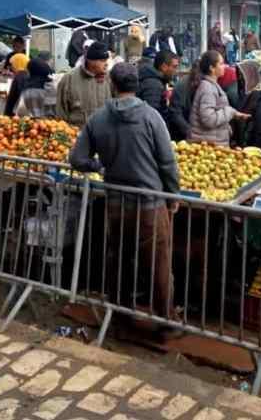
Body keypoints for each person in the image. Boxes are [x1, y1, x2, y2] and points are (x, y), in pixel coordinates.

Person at [69, 62, 181, 328]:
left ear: (112, 84)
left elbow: (77, 158)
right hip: (150, 203)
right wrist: (173, 196)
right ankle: (166, 322)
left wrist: (98, 166)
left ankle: (119, 315)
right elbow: (167, 163)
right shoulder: (152, 117)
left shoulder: (97, 118)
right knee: (158, 265)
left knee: (118, 259)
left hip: (116, 202)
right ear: (137, 85)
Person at [189, 51, 249, 145]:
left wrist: (235, 114)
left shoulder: (211, 85)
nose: (224, 66)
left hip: (212, 141)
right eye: (221, 64)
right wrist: (229, 112)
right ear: (212, 68)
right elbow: (208, 119)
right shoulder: (208, 88)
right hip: (208, 145)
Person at [57, 41, 113, 127]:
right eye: (102, 60)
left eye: (106, 60)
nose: (106, 64)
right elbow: (61, 113)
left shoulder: (110, 79)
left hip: (104, 136)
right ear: (90, 61)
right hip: (78, 135)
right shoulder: (69, 79)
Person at [138, 50, 188, 141]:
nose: (176, 71)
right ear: (164, 67)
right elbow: (152, 114)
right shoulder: (153, 85)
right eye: (174, 67)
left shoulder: (157, 81)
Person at [2, 53, 32, 118]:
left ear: (18, 63)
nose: (10, 67)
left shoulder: (20, 76)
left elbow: (16, 97)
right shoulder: (27, 75)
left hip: (17, 115)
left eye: (12, 64)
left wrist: (8, 114)